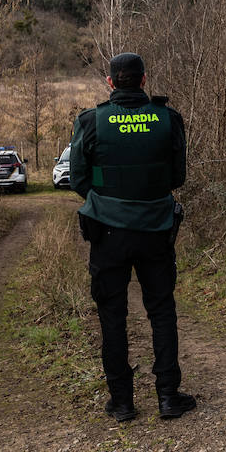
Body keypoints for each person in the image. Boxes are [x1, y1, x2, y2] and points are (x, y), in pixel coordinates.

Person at [71, 52, 194, 422]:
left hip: (108, 234)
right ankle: (168, 397)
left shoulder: (91, 121)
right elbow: (178, 177)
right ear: (143, 80)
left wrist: (108, 199)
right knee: (161, 311)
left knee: (112, 315)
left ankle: (122, 402)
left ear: (110, 83)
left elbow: (78, 178)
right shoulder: (168, 119)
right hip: (156, 230)